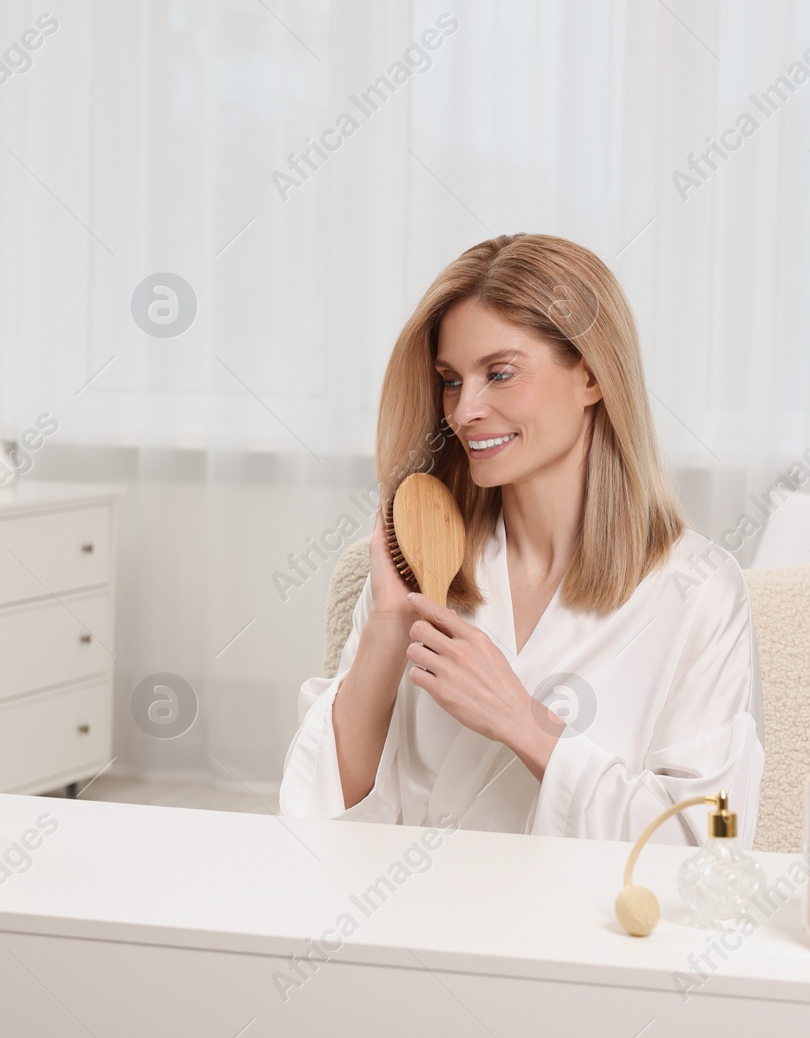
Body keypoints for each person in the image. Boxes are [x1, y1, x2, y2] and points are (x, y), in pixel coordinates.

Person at [279, 234, 764, 846]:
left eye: (500, 374)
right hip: (409, 920)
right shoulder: (428, 562)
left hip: (584, 936)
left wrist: (525, 724)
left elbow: (710, 841)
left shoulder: (698, 589)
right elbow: (316, 824)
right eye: (451, 380)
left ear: (591, 375)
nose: (464, 411)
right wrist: (388, 626)